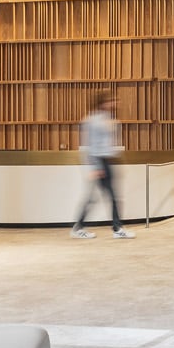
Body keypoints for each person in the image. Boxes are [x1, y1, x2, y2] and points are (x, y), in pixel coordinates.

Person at [71, 92, 135, 240]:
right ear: (103, 102)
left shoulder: (108, 119)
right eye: (112, 100)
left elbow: (109, 144)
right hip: (99, 162)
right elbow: (88, 145)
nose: (115, 103)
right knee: (106, 197)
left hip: (107, 161)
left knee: (100, 197)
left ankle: (80, 227)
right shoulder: (92, 120)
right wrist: (94, 167)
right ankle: (116, 228)